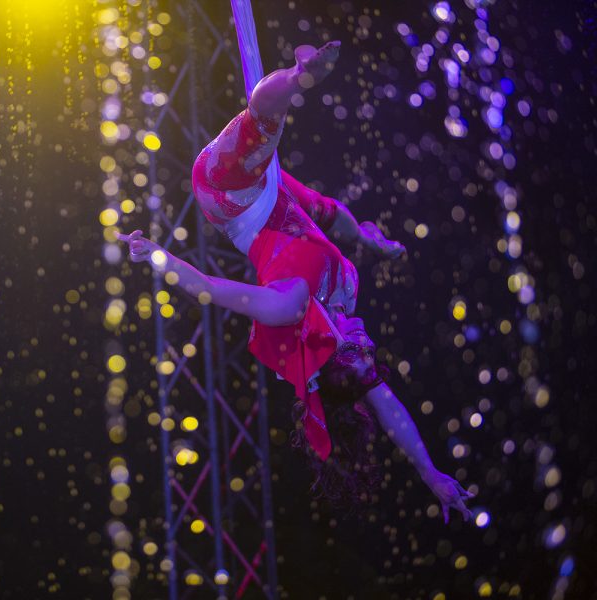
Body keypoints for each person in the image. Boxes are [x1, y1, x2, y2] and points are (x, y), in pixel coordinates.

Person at [117, 41, 473, 522]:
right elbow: (389, 409)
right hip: (283, 197)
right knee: (339, 216)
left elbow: (208, 290)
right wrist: (429, 473)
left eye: (359, 350)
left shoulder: (290, 305)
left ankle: (300, 75)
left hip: (235, 198)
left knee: (265, 122)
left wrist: (156, 256)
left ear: (332, 351)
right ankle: (366, 233)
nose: (368, 342)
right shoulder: (345, 298)